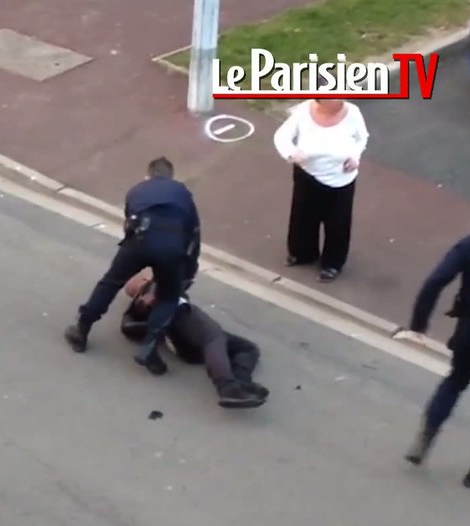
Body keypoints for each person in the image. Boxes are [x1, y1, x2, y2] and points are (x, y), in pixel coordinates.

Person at [64, 157, 202, 375]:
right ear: (171, 177)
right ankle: (149, 345)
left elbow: (130, 221)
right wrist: (187, 270)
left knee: (110, 283)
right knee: (168, 297)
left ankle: (82, 328)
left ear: (148, 175)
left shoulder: (137, 190)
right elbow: (193, 234)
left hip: (139, 241)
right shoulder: (183, 194)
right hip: (172, 248)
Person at [404, 198, 470, 488]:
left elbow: (435, 281)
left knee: (456, 379)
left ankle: (426, 436)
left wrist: (419, 323)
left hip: (469, 329)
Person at [119, 270, 268, 408]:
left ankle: (241, 381)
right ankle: (227, 387)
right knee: (213, 337)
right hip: (185, 321)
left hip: (187, 344)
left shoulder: (143, 306)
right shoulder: (151, 293)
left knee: (247, 348)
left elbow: (129, 326)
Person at [272, 98, 369, 283]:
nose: (340, 101)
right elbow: (281, 137)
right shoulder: (303, 112)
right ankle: (302, 254)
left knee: (338, 223)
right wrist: (291, 153)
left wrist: (355, 156)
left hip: (341, 179)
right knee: (303, 217)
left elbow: (362, 137)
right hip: (308, 174)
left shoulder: (353, 113)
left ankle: (332, 264)